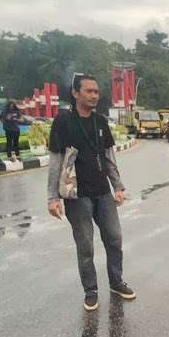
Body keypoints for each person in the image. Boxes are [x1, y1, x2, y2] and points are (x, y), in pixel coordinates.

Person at [47, 74, 135, 311]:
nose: (94, 95)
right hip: (77, 195)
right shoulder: (63, 122)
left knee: (114, 239)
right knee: (85, 245)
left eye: (96, 91)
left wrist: (117, 186)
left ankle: (116, 282)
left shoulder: (100, 121)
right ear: (75, 93)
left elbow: (109, 156)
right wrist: (52, 197)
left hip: (102, 192)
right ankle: (91, 291)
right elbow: (56, 160)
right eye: (89, 91)